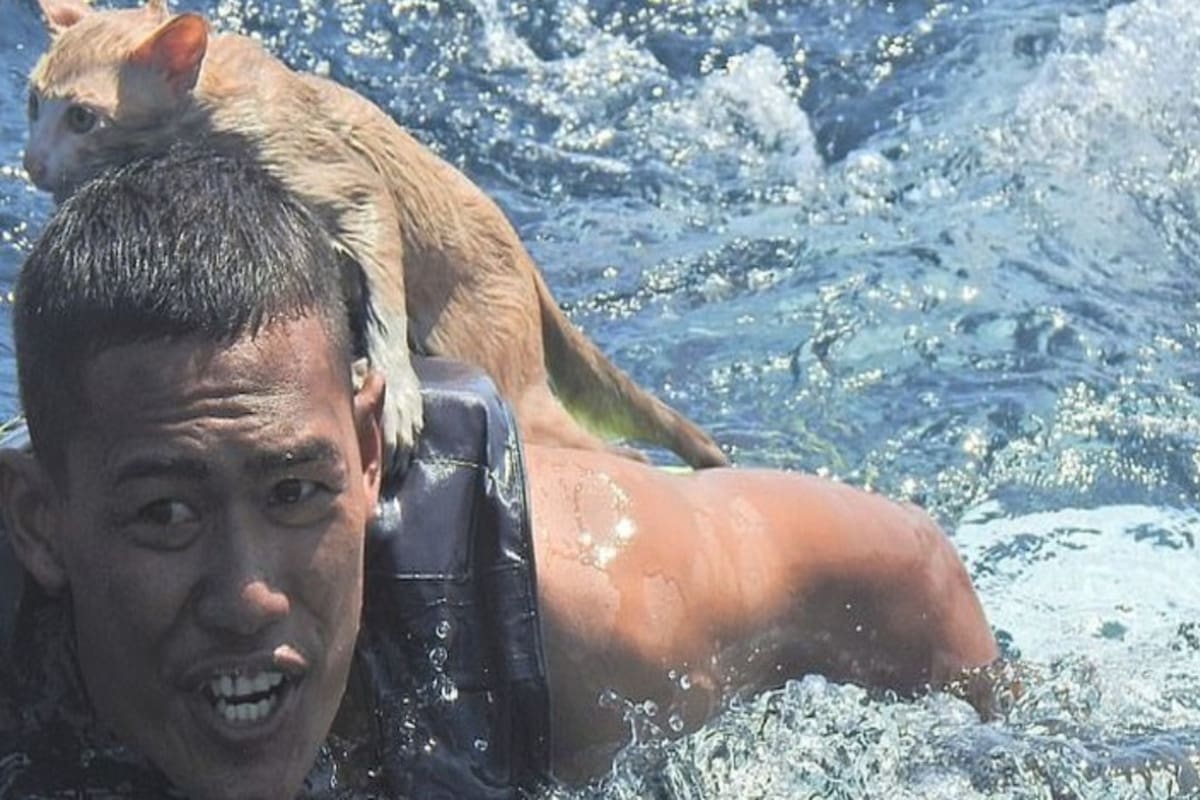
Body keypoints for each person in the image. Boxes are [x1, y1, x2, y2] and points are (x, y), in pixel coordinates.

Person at [0, 146, 1000, 799]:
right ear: (43, 521)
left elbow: (903, 570)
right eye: (166, 512)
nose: (247, 592)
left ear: (369, 449)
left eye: (295, 490)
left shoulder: (579, 605)